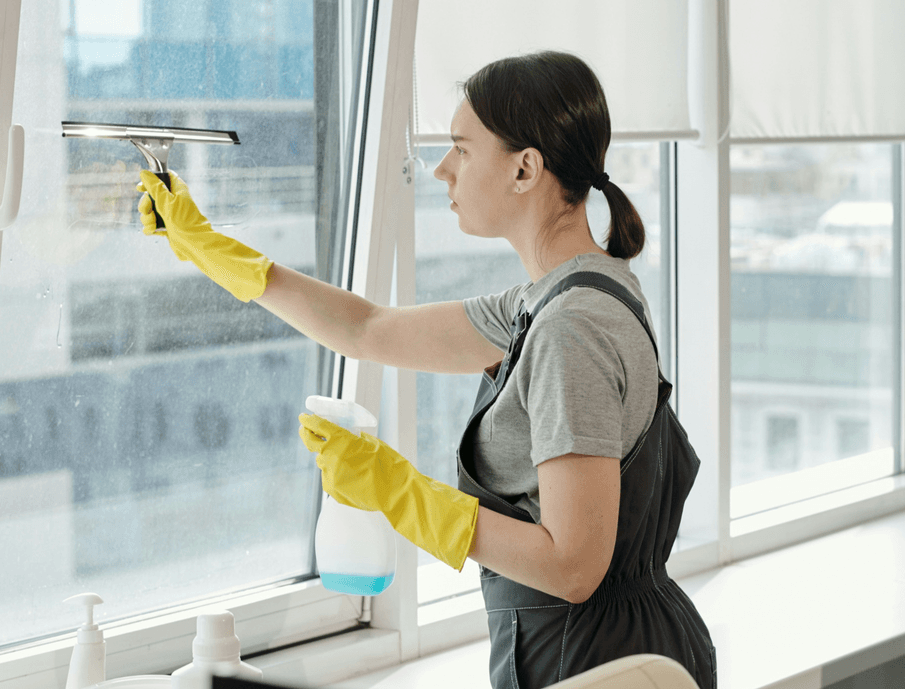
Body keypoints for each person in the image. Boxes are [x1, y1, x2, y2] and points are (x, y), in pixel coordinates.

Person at [133, 51, 716, 689]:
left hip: (594, 661)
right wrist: (211, 248)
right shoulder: (559, 298)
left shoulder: (569, 329)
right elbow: (366, 328)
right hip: (623, 643)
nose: (441, 170)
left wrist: (398, 492)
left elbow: (573, 566)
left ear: (525, 169)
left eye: (461, 150)